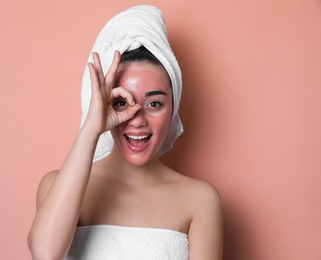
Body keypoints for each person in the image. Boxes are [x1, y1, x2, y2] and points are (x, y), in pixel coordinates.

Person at [27, 5, 222, 260]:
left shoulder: (199, 200)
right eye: (122, 102)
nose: (137, 120)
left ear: (173, 108)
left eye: (154, 104)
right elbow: (44, 255)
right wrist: (92, 128)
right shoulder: (56, 186)